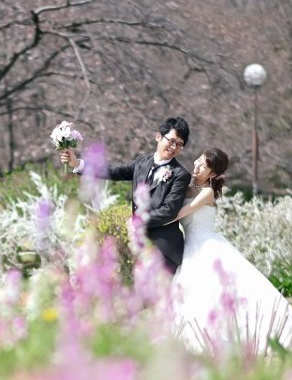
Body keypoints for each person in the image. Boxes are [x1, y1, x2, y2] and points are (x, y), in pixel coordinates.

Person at [170, 148, 292, 356]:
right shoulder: (185, 186)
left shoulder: (207, 192)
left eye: (204, 165)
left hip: (207, 246)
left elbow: (180, 213)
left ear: (213, 174)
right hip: (190, 247)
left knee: (220, 293)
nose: (197, 166)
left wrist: (151, 220)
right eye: (198, 161)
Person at [59, 117, 193, 272]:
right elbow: (114, 171)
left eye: (179, 144)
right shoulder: (142, 161)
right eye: (171, 141)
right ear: (158, 136)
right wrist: (78, 164)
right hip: (140, 246)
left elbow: (169, 210)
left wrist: (138, 220)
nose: (174, 147)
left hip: (164, 249)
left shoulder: (180, 174)